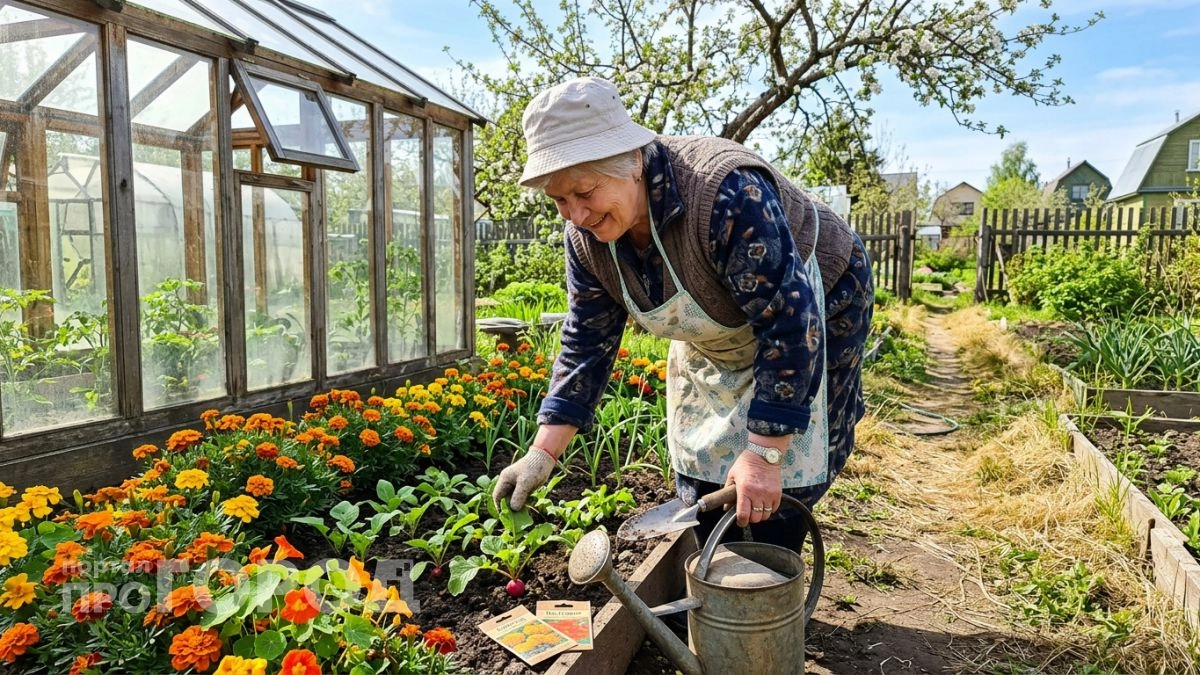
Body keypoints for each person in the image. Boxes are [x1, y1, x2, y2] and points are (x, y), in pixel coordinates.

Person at [492, 76, 874, 550]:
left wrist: (764, 456)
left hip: (817, 302)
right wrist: (542, 453)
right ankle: (718, 557)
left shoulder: (725, 193)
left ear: (632, 161)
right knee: (703, 471)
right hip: (720, 329)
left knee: (784, 472)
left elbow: (789, 324)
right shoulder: (586, 240)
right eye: (559, 200)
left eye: (584, 192)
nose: (576, 214)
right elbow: (587, 341)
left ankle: (770, 582)